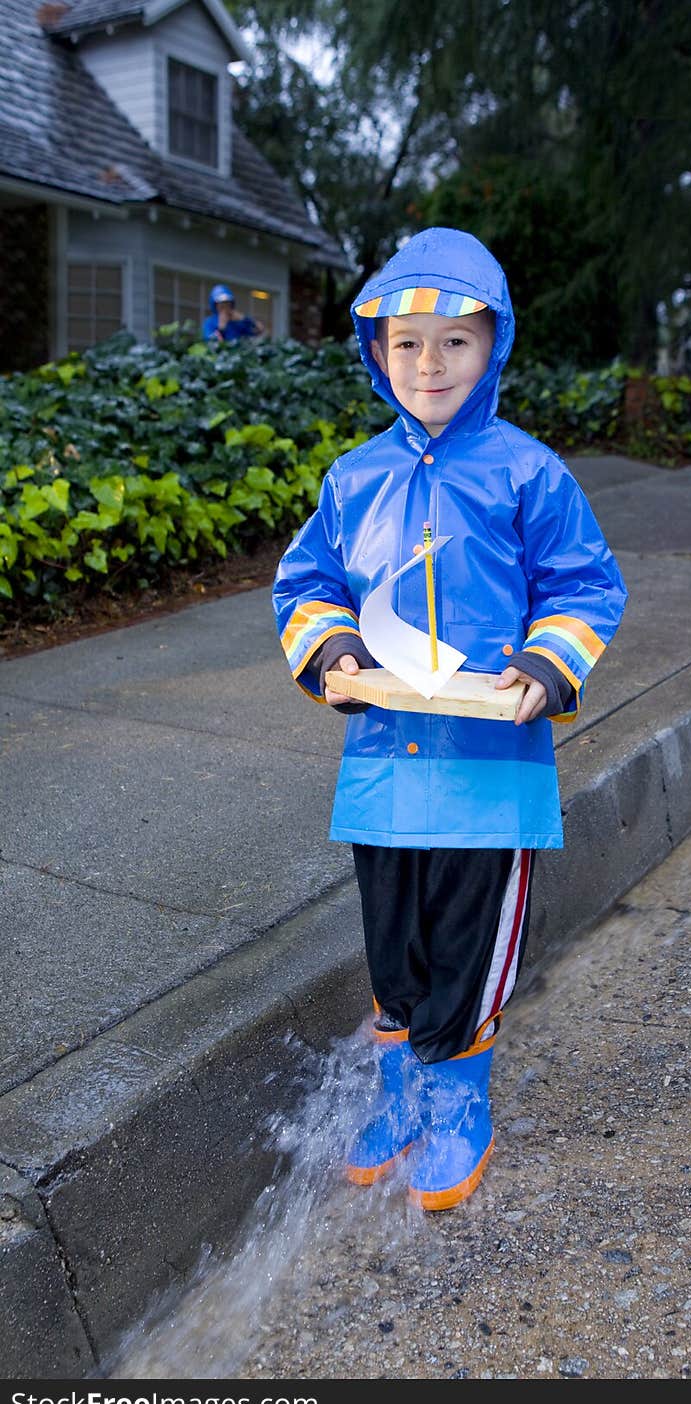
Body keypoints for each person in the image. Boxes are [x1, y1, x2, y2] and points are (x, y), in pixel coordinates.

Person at [272, 227, 627, 1211]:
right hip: (384, 764)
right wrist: (332, 651)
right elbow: (305, 582)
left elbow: (585, 586)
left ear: (493, 345)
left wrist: (545, 664)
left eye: (454, 342)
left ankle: (459, 1099)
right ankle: (400, 1091)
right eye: (407, 343)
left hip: (488, 767)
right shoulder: (353, 478)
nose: (430, 364)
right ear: (375, 352)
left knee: (469, 950)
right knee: (396, 947)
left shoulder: (527, 472)